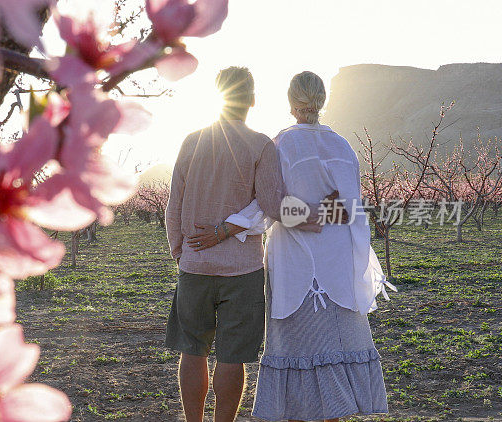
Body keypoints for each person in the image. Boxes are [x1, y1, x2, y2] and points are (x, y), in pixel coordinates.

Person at [193, 71, 392, 421]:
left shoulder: (281, 144)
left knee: (296, 347)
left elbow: (268, 204)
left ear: (290, 102)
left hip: (293, 259)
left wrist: (228, 227)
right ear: (322, 100)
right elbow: (350, 207)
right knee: (335, 345)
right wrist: (323, 210)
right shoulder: (342, 146)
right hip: (336, 258)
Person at [164, 67, 328, 422]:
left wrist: (182, 251)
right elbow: (273, 205)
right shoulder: (261, 145)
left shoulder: (191, 141)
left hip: (194, 267)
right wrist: (318, 215)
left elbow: (173, 206)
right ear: (252, 100)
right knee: (232, 356)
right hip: (243, 270)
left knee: (191, 351)